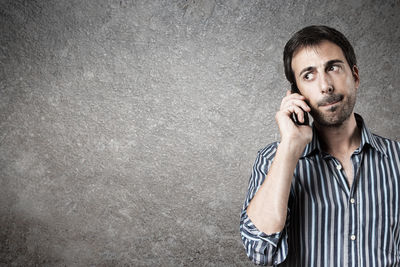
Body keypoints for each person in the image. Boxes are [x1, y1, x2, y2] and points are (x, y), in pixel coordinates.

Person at [239, 25, 400, 266]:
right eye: (308, 75)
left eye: (333, 68)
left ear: (355, 76)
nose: (325, 86)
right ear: (297, 93)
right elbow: (260, 249)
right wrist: (291, 146)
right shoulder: (273, 158)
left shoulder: (397, 159)